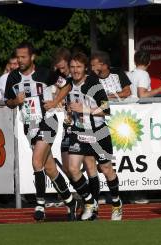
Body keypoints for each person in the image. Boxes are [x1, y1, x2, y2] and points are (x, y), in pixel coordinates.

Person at [4, 41, 78, 221]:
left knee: (37, 161)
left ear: (32, 57)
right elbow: (7, 101)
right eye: (18, 57)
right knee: (50, 168)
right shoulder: (13, 77)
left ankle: (40, 204)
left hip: (48, 121)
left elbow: (67, 84)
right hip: (29, 125)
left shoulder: (45, 73)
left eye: (23, 57)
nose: (20, 60)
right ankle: (70, 201)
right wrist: (16, 102)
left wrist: (54, 102)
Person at [66, 52, 123, 221]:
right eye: (72, 67)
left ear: (85, 69)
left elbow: (106, 109)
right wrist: (69, 115)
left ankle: (117, 204)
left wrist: (84, 110)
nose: (75, 70)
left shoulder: (93, 83)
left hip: (98, 132)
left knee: (106, 169)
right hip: (80, 132)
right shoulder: (68, 84)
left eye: (79, 67)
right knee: (73, 169)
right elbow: (69, 106)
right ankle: (90, 202)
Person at [53, 48, 101, 216]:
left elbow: (103, 106)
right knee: (69, 168)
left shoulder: (90, 81)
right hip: (70, 128)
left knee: (89, 165)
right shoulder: (64, 81)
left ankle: (92, 204)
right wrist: (62, 106)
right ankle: (86, 199)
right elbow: (58, 95)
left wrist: (84, 109)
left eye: (65, 67)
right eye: (61, 69)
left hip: (87, 127)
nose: (68, 71)